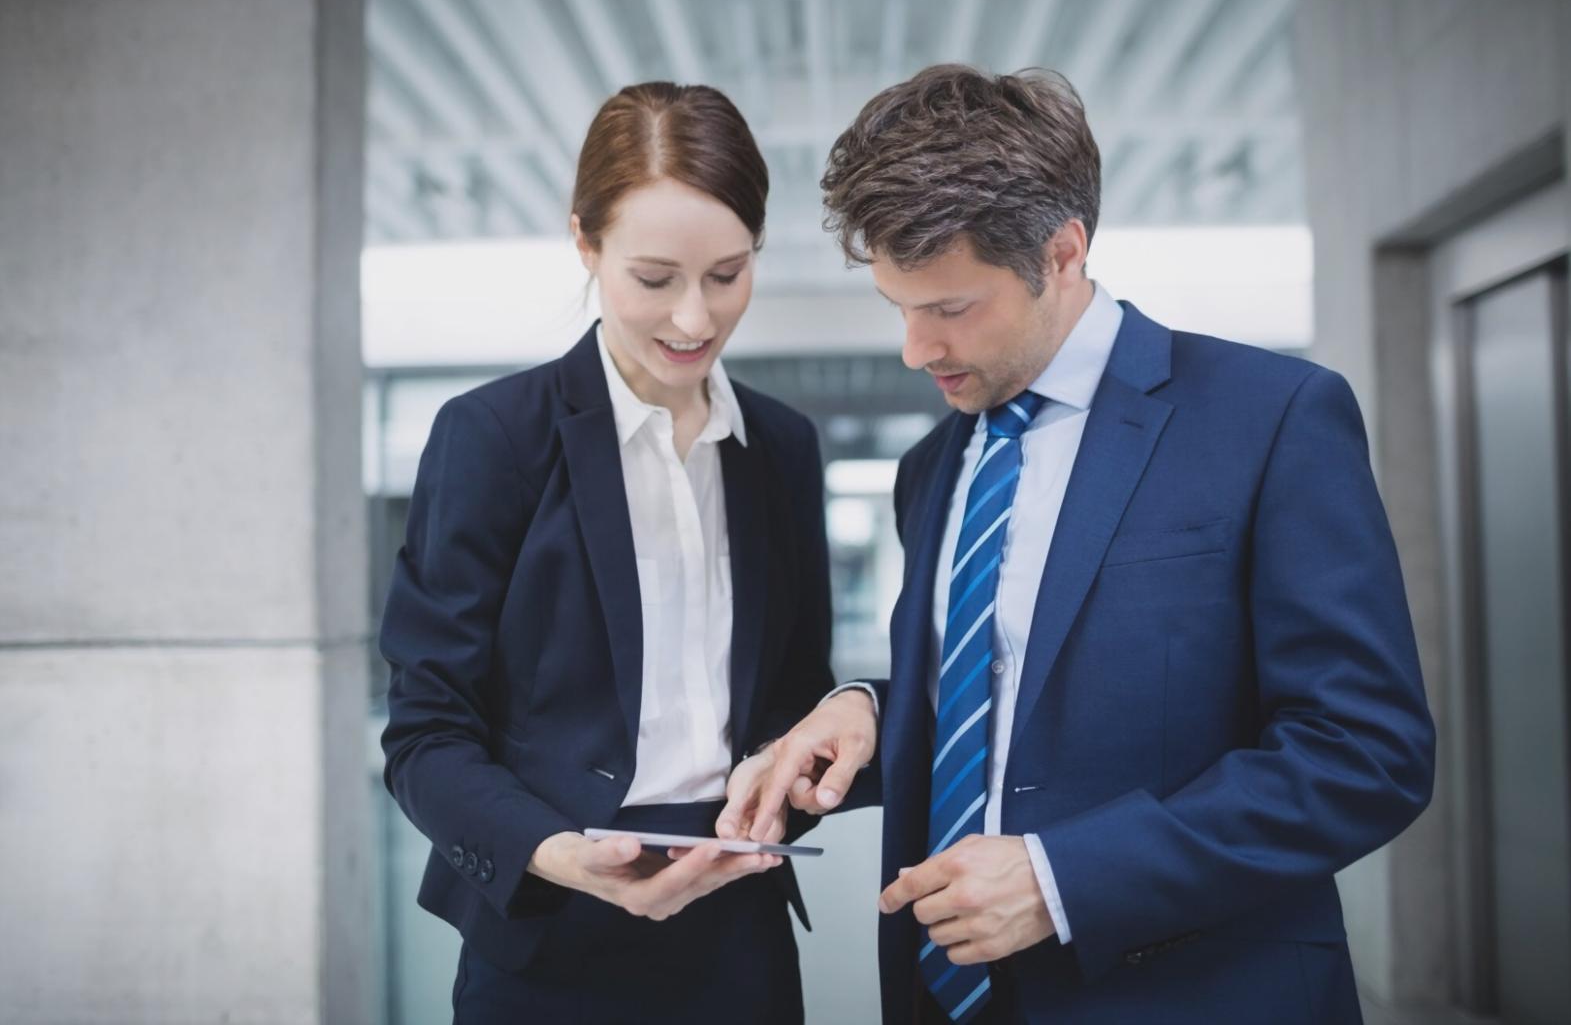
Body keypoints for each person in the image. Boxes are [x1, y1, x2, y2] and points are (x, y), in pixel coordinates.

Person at [721, 65, 1436, 1024]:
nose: (914, 349)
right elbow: (1008, 702)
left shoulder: (1270, 418)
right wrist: (867, 714)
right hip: (948, 992)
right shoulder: (932, 466)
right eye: (898, 307)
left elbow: (1363, 752)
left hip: (1195, 994)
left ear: (1061, 252)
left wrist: (1062, 879)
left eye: (949, 308)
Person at [380, 81, 833, 1024]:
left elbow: (796, 691)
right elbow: (426, 733)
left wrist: (804, 758)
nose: (695, 321)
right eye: (654, 278)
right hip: (546, 922)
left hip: (738, 923)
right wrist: (552, 853)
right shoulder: (492, 438)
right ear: (585, 243)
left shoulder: (781, 449)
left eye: (728, 274)